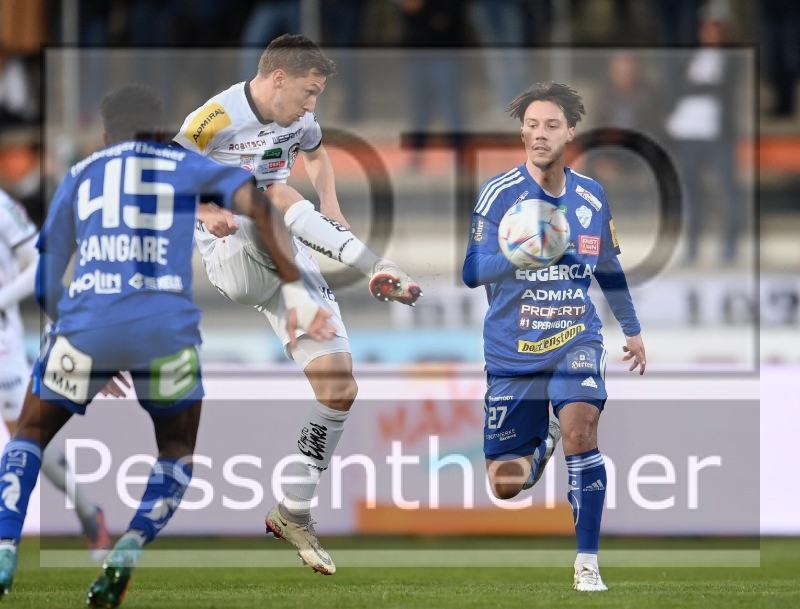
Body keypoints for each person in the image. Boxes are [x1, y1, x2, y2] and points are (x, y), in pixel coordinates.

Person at [0, 83, 335, 606]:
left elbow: (45, 280)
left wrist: (84, 339)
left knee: (29, 434)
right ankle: (129, 546)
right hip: (165, 333)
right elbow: (261, 207)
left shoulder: (80, 175)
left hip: (85, 325)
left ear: (104, 136)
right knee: (176, 451)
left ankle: (3, 547)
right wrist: (294, 291)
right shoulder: (184, 165)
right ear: (160, 132)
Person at [172, 33, 421, 575]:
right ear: (278, 78)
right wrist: (202, 212)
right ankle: (376, 266)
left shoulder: (300, 120)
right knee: (270, 192)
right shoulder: (215, 116)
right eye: (309, 92)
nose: (312, 106)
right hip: (234, 252)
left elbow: (317, 153)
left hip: (282, 248)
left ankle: (293, 510)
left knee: (340, 386)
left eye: (318, 96)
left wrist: (330, 202)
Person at [462, 82, 647, 592]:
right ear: (522, 133)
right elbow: (472, 271)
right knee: (505, 485)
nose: (540, 133)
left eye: (551, 125)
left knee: (582, 433)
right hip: (513, 347)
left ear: (570, 133)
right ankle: (544, 439)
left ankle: (587, 564)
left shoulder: (591, 196)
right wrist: (521, 255)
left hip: (574, 335)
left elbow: (608, 268)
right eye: (532, 125)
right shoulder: (499, 193)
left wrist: (632, 329)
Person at [0, 190, 111, 562]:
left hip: (3, 348)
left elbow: (38, 267)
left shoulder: (2, 207)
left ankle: (87, 511)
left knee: (28, 435)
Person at [664, 1, 743, 264]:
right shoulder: (689, 58)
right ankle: (693, 243)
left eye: (717, 28)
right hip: (690, 133)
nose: (712, 33)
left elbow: (723, 89)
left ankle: (730, 242)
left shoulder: (732, 59)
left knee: (726, 187)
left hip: (718, 133)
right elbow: (677, 88)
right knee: (691, 190)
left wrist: (697, 87)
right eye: (709, 28)